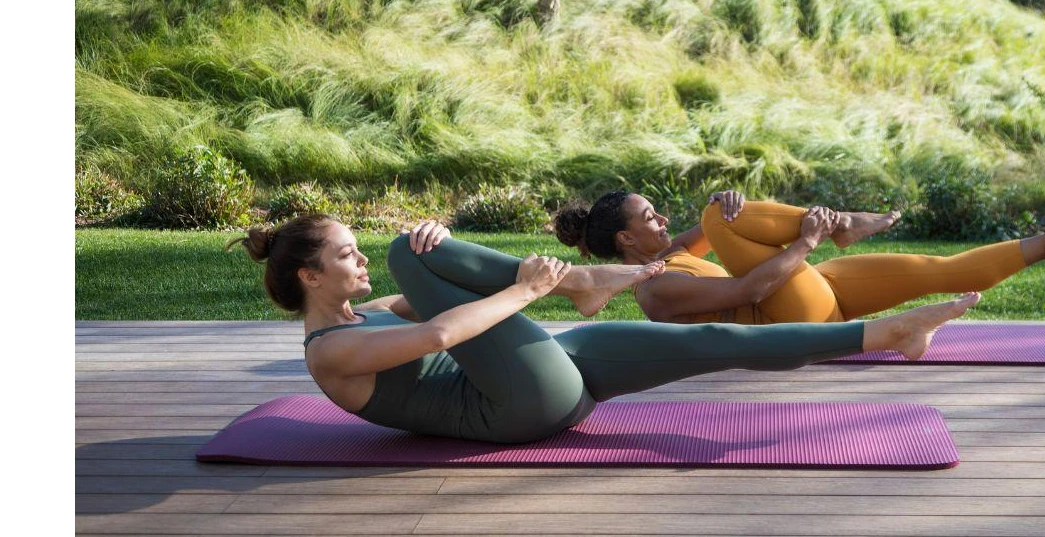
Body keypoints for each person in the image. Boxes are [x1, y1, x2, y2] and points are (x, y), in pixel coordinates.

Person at [227, 214, 982, 444]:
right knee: (409, 249)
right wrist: (529, 289)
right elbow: (439, 337)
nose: (359, 262)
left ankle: (886, 336)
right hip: (513, 408)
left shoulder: (359, 319)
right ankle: (583, 284)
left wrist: (474, 264)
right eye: (345, 255)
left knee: (711, 342)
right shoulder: (332, 353)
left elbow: (432, 304)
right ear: (308, 277)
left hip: (546, 375)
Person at [553, 190, 1045, 324]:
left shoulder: (666, 257)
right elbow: (747, 292)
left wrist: (731, 204)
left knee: (937, 271)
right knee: (709, 216)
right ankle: (843, 225)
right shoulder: (656, 291)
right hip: (787, 316)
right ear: (626, 241)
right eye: (650, 218)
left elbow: (727, 219)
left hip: (818, 289)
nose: (661, 220)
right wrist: (806, 242)